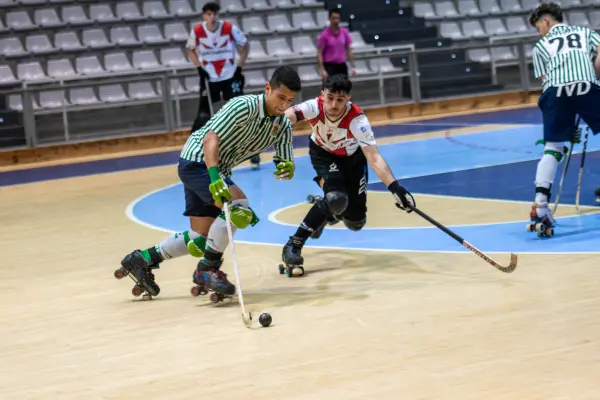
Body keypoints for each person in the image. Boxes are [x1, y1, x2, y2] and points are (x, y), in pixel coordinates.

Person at [116, 66, 302, 298]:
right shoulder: (243, 106)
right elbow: (210, 138)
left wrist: (286, 168)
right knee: (239, 208)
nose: (284, 105)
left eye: (290, 101)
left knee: (201, 239)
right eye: (280, 97)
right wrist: (214, 178)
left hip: (216, 168)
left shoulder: (282, 125)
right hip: (197, 160)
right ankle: (207, 270)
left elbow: (285, 159)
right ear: (268, 89)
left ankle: (142, 259)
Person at [279, 75, 415, 273]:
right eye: (330, 98)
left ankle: (325, 211)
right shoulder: (313, 107)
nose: (334, 104)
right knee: (336, 199)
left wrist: (397, 188)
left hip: (353, 160)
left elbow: (374, 157)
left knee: (356, 223)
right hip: (324, 155)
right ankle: (293, 244)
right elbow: (285, 118)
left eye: (340, 100)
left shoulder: (357, 120)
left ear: (348, 98)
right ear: (322, 95)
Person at [527, 2, 600, 236]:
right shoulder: (585, 32)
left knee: (553, 148)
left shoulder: (540, 46)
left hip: (555, 91)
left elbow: (546, 80)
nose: (539, 32)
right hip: (586, 85)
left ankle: (540, 206)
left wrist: (567, 124)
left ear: (546, 21)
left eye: (538, 26)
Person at [186, 2, 249, 135]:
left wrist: (239, 66)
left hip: (230, 75)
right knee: (204, 113)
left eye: (215, 13)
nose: (212, 17)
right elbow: (190, 50)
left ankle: (252, 146)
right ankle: (193, 145)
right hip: (209, 77)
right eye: (209, 14)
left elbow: (245, 45)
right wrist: (199, 68)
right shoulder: (197, 31)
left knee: (241, 109)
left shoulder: (229, 27)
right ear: (204, 16)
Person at [317, 8, 357, 81]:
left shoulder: (344, 33)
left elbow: (348, 50)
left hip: (342, 66)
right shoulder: (324, 35)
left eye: (337, 18)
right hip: (330, 67)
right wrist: (322, 70)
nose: (336, 21)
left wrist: (353, 66)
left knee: (344, 90)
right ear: (330, 19)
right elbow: (319, 52)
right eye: (334, 18)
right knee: (332, 91)